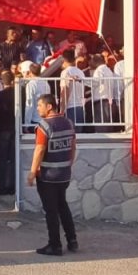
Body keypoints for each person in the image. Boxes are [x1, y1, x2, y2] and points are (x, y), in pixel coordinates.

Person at [29, 94, 77, 256]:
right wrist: (68, 164)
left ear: (49, 106)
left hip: (48, 176)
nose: (38, 108)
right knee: (62, 206)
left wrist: (32, 171)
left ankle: (54, 245)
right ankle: (72, 240)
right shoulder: (68, 123)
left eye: (40, 105)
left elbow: (40, 150)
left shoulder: (44, 126)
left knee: (51, 210)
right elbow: (73, 146)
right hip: (64, 174)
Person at [0, 71, 17, 196]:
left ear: (2, 82)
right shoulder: (18, 93)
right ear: (12, 81)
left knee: (3, 159)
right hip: (14, 127)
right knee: (13, 158)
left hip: (3, 129)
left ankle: (2, 186)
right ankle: (12, 185)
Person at [58, 49, 86, 126]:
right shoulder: (80, 72)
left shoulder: (65, 72)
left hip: (70, 107)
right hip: (80, 107)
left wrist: (61, 111)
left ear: (63, 59)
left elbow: (65, 91)